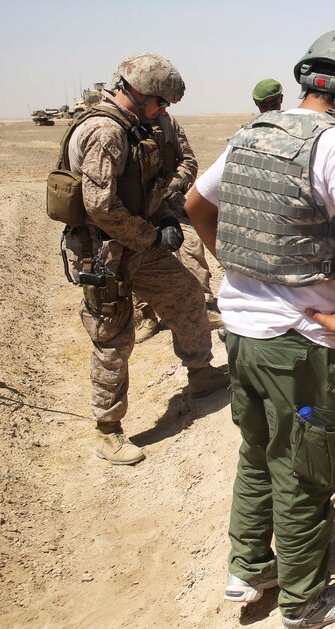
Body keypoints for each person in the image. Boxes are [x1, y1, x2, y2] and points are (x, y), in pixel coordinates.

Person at [186, 29, 335, 628]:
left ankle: (249, 569)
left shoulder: (252, 134)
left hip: (241, 333)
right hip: (296, 342)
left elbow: (198, 206)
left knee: (258, 449)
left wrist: (238, 269)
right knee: (306, 463)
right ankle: (304, 601)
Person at [60, 52, 229, 466]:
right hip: (105, 253)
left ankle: (201, 376)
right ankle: (107, 430)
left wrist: (162, 214)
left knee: (186, 295)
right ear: (138, 92)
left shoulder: (138, 125)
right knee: (113, 338)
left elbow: (174, 167)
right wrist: (152, 233)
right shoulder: (105, 132)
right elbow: (100, 207)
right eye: (161, 103)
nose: (164, 111)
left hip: (139, 245)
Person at [132, 113, 221, 343]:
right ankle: (148, 317)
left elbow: (188, 161)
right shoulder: (123, 125)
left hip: (169, 202)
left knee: (192, 245)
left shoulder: (167, 123)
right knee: (136, 261)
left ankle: (204, 306)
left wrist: (171, 186)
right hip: (136, 211)